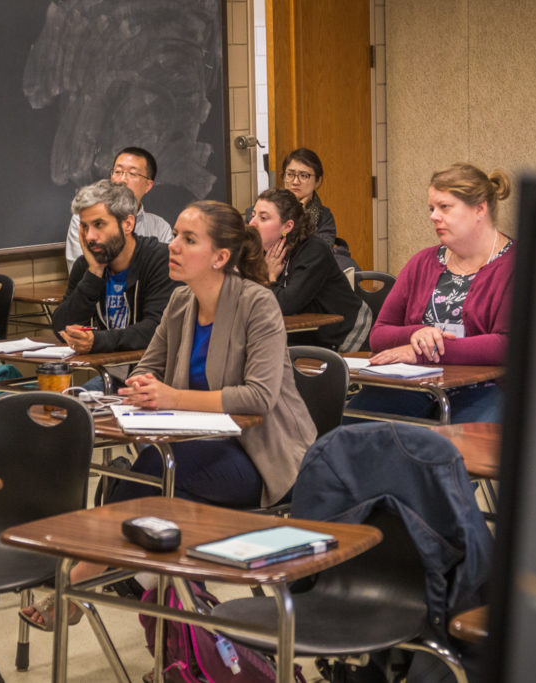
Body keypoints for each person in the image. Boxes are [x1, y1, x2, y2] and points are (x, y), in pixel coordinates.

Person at [21, 200, 316, 630]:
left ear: (220, 257)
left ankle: (84, 578)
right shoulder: (181, 302)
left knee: (152, 474)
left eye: (188, 239)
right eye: (175, 234)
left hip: (260, 457)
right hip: (191, 446)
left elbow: (257, 399)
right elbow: (147, 367)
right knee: (136, 482)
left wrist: (173, 396)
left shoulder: (258, 305)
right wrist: (142, 386)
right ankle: (143, 583)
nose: (172, 246)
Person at [345, 162, 515, 424]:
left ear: (479, 209)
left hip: (486, 389)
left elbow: (505, 345)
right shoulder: (422, 262)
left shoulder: (515, 265)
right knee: (353, 425)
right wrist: (417, 333)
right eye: (432, 209)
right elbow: (379, 333)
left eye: (444, 207)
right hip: (417, 385)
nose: (434, 216)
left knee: (464, 447)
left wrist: (424, 351)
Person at [51, 180, 180, 391]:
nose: (90, 236)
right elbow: (60, 327)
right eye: (85, 227)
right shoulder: (88, 265)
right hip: (113, 377)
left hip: (161, 378)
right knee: (67, 407)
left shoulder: (159, 259)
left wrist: (97, 341)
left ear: (128, 224)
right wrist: (94, 274)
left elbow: (156, 328)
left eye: (99, 225)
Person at [248, 188, 371, 351]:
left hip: (347, 333)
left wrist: (270, 276)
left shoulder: (313, 250)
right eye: (253, 215)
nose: (252, 223)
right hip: (306, 335)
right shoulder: (260, 251)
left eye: (263, 218)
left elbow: (285, 305)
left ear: (287, 226)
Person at [64, 147, 172, 271]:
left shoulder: (161, 229)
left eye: (132, 174)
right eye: (118, 172)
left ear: (148, 185)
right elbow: (80, 275)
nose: (122, 180)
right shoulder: (84, 219)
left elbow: (165, 277)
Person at [279, 147, 336, 245]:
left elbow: (320, 252)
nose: (295, 182)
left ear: (318, 182)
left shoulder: (324, 217)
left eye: (304, 176)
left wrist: (300, 213)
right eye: (290, 174)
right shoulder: (265, 210)